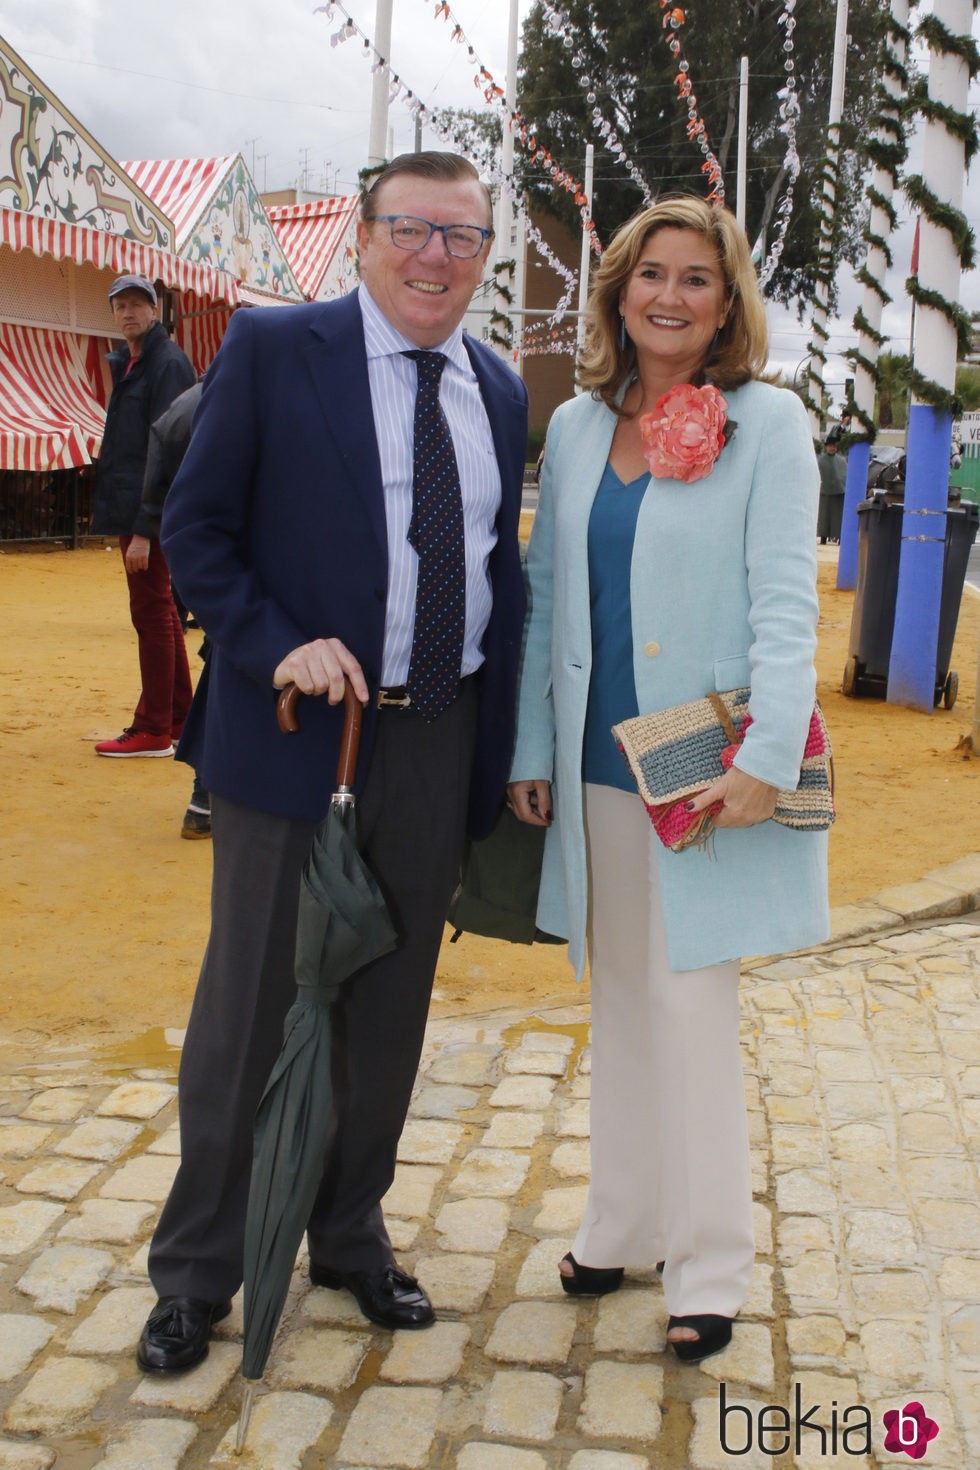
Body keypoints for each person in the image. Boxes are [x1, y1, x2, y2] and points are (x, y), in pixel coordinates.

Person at [136, 152, 528, 1374]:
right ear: (360, 240)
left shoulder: (500, 389)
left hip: (434, 732)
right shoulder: (272, 349)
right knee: (249, 1006)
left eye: (462, 239)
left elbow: (491, 572)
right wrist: (273, 648)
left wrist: (503, 741)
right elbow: (196, 532)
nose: (435, 257)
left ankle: (349, 1235)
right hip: (300, 733)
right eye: (411, 230)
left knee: (387, 1006)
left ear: (484, 258)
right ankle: (199, 1268)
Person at [507, 195, 829, 1365]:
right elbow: (547, 602)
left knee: (690, 1013)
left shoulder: (769, 423)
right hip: (594, 766)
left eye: (696, 278)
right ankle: (623, 1223)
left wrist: (765, 753)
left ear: (725, 299)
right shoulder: (583, 428)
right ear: (616, 289)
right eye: (651, 274)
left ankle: (706, 1266)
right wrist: (530, 754)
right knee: (623, 1009)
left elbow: (787, 604)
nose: (669, 297)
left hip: (703, 767)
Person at [91, 275, 197, 757]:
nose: (128, 313)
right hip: (136, 505)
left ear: (154, 311)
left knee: (152, 612)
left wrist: (144, 529)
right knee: (162, 611)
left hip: (148, 511)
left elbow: (169, 447)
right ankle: (177, 718)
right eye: (120, 306)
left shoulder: (166, 362)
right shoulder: (133, 361)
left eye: (137, 305)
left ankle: (153, 726)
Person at [140, 381, 212, 837]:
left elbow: (160, 474)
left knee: (226, 664)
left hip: (207, 553)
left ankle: (204, 797)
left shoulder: (187, 399)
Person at [817, 436, 847, 543]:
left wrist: (841, 485)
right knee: (824, 518)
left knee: (838, 518)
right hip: (824, 493)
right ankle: (823, 538)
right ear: (826, 447)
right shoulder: (821, 460)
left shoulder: (842, 460)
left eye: (834, 446)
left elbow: (844, 475)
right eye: (830, 446)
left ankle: (840, 538)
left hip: (839, 494)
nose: (832, 448)